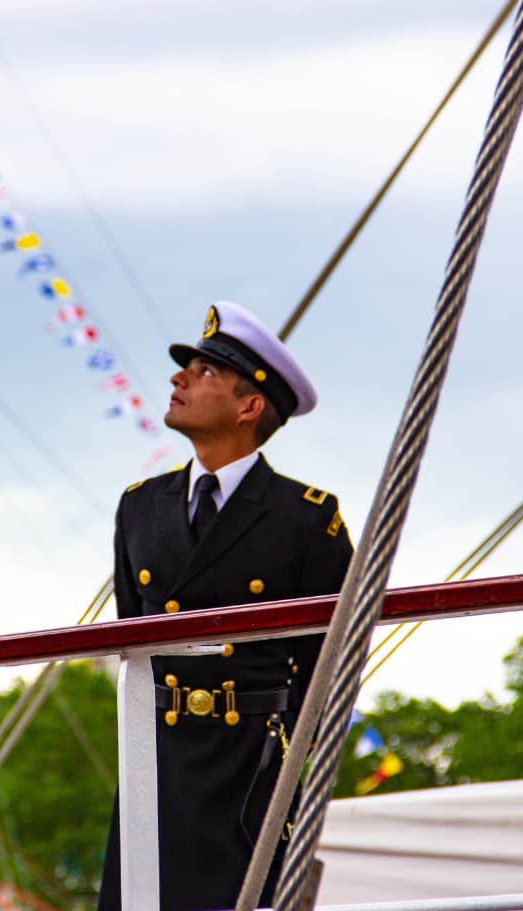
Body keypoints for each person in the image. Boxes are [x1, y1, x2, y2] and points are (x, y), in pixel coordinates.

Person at [97, 301, 354, 911]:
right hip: (155, 769)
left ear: (250, 406)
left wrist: (288, 775)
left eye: (205, 371)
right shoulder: (140, 508)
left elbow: (333, 673)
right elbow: (135, 645)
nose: (178, 378)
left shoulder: (307, 518)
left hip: (251, 773)